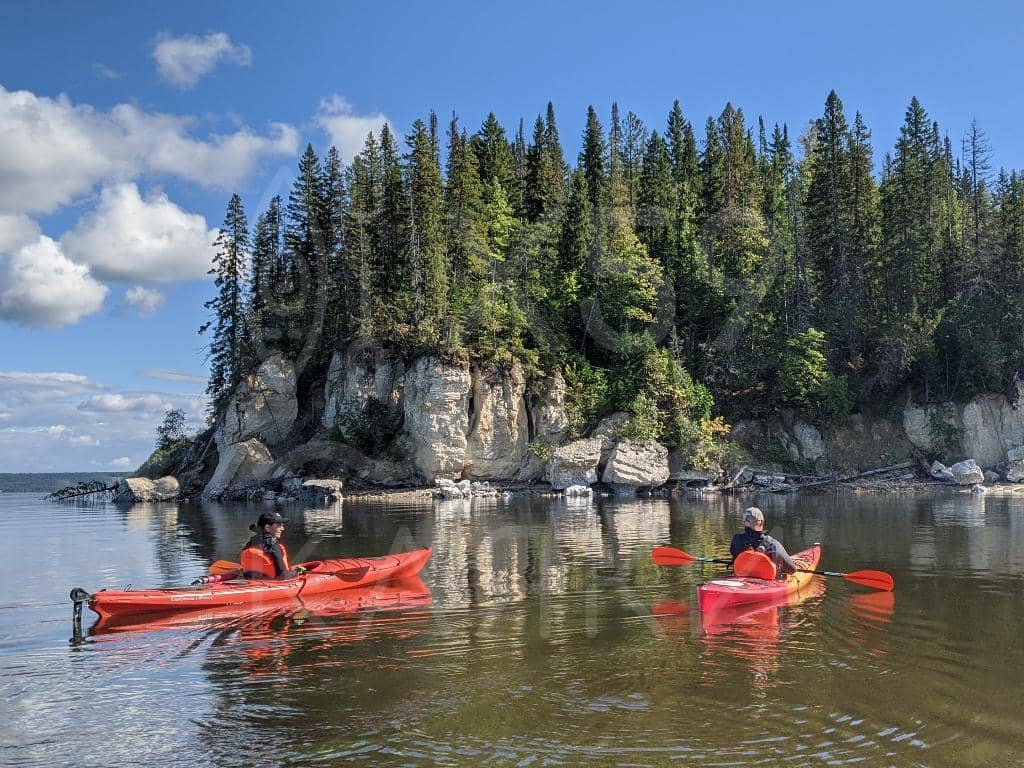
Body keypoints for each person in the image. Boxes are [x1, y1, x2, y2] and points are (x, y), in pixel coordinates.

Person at [729, 507, 797, 578]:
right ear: (761, 522)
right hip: (765, 581)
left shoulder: (737, 539)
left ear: (744, 523)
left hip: (740, 577)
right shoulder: (772, 543)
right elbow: (792, 570)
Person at [240, 512, 306, 579]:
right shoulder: (273, 546)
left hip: (252, 582)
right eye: (279, 525)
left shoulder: (250, 543)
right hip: (273, 584)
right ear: (267, 527)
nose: (282, 528)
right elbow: (283, 576)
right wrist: (297, 573)